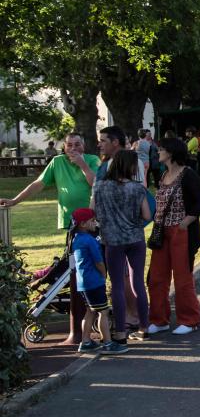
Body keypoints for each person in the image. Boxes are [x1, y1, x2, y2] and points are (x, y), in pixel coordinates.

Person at [0, 133, 100, 344]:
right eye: (69, 145)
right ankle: (79, 323)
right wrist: (16, 200)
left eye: (77, 145)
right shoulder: (57, 162)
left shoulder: (91, 160)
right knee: (71, 268)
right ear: (63, 147)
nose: (73, 148)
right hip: (70, 223)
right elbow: (38, 184)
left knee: (84, 268)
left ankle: (88, 319)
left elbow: (96, 184)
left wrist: (82, 165)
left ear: (84, 145)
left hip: (90, 223)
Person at [147, 138, 200, 335]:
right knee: (156, 277)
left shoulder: (188, 174)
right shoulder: (163, 174)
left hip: (181, 232)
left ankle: (189, 319)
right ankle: (159, 319)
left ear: (171, 152)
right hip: (162, 232)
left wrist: (184, 223)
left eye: (161, 149)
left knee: (182, 278)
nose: (158, 153)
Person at [91, 150, 151, 342]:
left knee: (116, 285)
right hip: (135, 238)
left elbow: (92, 212)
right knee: (138, 284)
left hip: (112, 240)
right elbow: (147, 216)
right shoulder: (137, 188)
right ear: (130, 166)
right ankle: (144, 327)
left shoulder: (99, 187)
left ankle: (120, 332)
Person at [71, 208, 128, 354]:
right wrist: (104, 274)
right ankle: (108, 343)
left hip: (83, 283)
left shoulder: (76, 238)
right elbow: (99, 262)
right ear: (83, 224)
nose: (95, 223)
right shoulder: (90, 241)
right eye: (92, 221)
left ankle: (86, 342)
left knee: (90, 311)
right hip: (94, 281)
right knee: (103, 312)